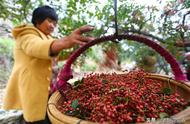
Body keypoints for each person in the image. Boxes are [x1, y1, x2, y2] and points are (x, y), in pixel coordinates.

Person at [2, 5, 94, 124]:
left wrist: (74, 51)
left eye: (55, 24)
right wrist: (66, 41)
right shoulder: (26, 35)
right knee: (36, 119)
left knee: (46, 114)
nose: (52, 26)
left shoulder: (47, 37)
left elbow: (55, 54)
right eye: (49, 21)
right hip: (32, 87)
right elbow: (35, 47)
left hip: (47, 88)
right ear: (38, 20)